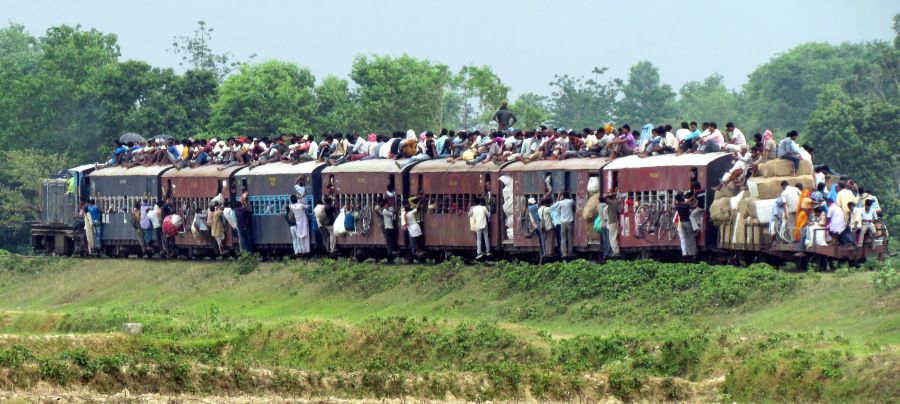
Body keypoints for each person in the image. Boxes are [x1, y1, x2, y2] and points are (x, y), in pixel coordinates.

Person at [552, 192, 575, 258]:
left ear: (563, 196)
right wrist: (570, 195)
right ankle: (570, 252)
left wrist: (559, 197)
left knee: (563, 239)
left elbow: (557, 208)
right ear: (568, 196)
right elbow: (573, 200)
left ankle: (564, 253)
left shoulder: (561, 203)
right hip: (570, 222)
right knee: (570, 238)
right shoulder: (570, 201)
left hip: (562, 222)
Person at [675, 192, 697, 258]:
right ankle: (693, 253)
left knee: (686, 238)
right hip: (687, 222)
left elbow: (688, 201)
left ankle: (687, 252)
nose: (684, 197)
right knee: (691, 238)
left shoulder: (677, 205)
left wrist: (691, 199)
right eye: (682, 196)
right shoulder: (685, 205)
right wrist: (696, 200)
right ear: (681, 198)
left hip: (681, 223)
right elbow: (694, 206)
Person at [537, 197, 555, 262]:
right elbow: (553, 210)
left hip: (543, 227)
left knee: (546, 239)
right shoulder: (547, 209)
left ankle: (546, 252)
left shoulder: (539, 210)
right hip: (549, 226)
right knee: (550, 239)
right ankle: (550, 253)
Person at [604, 191, 621, 257]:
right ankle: (616, 250)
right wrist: (613, 194)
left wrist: (609, 195)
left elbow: (604, 198)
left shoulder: (610, 203)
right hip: (615, 221)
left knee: (612, 238)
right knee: (614, 236)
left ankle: (616, 251)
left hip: (611, 222)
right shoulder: (616, 202)